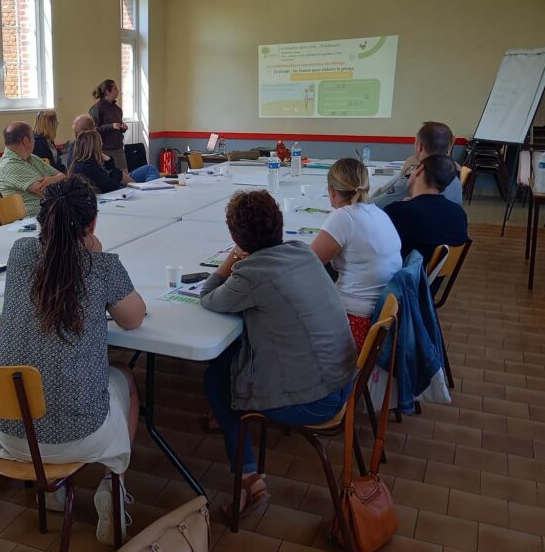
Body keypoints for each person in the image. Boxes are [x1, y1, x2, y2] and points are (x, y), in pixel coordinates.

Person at [0, 176, 146, 544]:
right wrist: (98, 256)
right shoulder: (99, 264)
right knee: (125, 377)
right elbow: (133, 319)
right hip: (76, 436)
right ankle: (112, 485)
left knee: (41, 368)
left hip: (8, 430)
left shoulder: (21, 253)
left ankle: (51, 489)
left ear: (43, 219)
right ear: (92, 224)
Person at [200, 190, 357, 520]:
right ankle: (229, 429)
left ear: (235, 236)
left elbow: (209, 297)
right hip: (343, 380)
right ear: (279, 225)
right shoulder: (301, 252)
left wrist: (231, 258)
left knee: (218, 378)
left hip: (315, 399)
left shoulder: (251, 274)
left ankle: (248, 480)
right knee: (229, 361)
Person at [312, 158, 402, 350]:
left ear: (332, 191)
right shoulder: (378, 212)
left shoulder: (343, 217)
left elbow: (307, 264)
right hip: (383, 315)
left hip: (357, 322)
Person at [384, 154, 469, 262]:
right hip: (435, 276)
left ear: (419, 170)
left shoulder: (397, 212)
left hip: (402, 275)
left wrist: (403, 206)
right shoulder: (459, 213)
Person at [375, 121, 463, 208]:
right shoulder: (455, 176)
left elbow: (375, 206)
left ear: (419, 146)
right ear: (448, 148)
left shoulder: (415, 180)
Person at [0, 121, 64, 217]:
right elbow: (47, 191)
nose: (35, 140)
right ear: (26, 141)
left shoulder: (32, 158)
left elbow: (62, 176)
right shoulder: (9, 166)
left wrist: (54, 179)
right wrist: (58, 179)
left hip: (52, 213)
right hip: (33, 221)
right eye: (33, 137)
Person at [88, 79, 129, 172]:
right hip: (104, 150)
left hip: (118, 148)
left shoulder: (117, 109)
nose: (118, 91)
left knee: (126, 175)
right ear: (107, 91)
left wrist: (123, 128)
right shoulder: (96, 109)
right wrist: (111, 126)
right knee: (109, 177)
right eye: (115, 88)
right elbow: (93, 130)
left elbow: (118, 126)